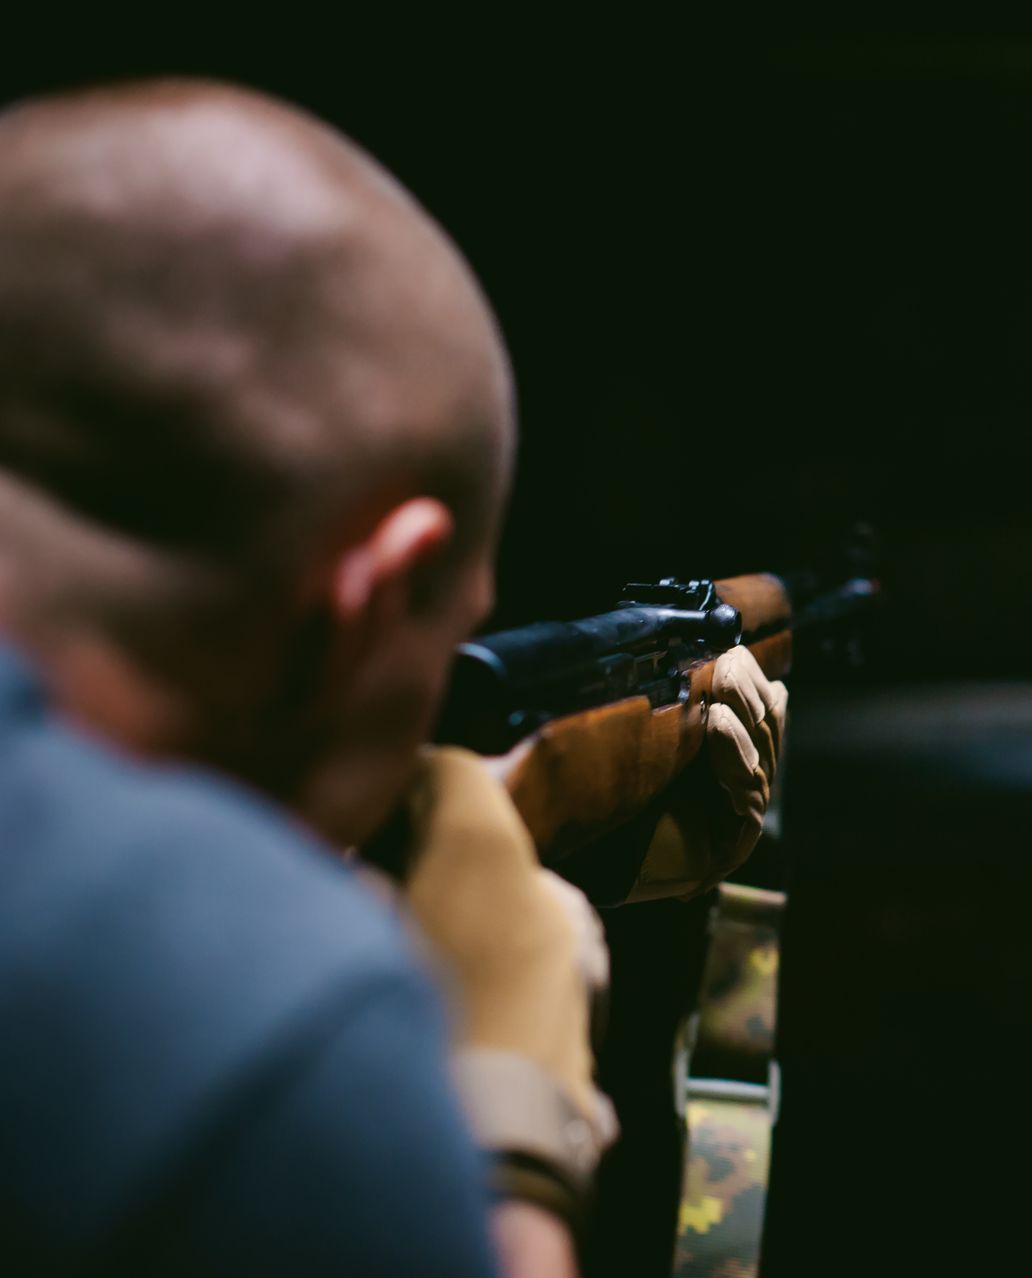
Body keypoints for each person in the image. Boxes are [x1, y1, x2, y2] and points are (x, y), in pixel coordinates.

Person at [0, 78, 786, 1276]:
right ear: (375, 593)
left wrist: (597, 857)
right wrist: (512, 1103)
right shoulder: (284, 1025)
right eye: (447, 660)